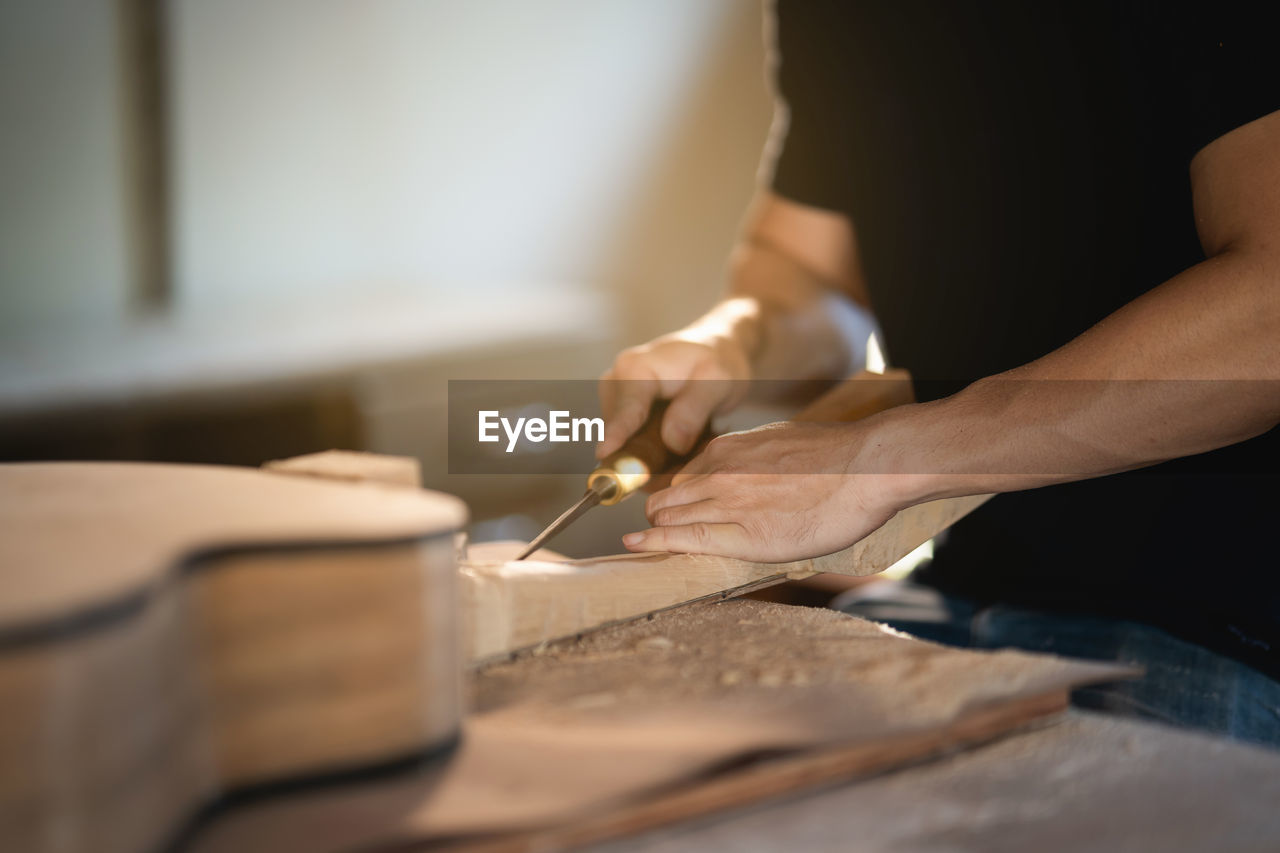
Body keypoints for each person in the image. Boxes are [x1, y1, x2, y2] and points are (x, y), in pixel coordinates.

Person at [597, 0, 1280, 746]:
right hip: (969, 587)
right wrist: (730, 344)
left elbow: (1265, 315)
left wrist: (878, 460)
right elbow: (807, 277)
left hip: (1215, 625)